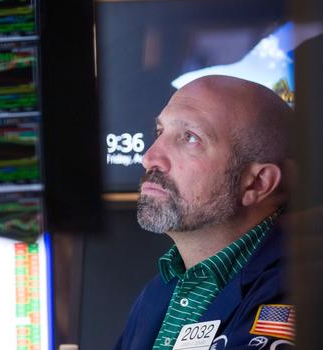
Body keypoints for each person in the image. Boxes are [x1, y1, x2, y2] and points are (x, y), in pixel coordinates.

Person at [113, 75, 295, 350]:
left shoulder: (303, 290)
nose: (150, 157)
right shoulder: (162, 289)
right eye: (160, 132)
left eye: (190, 138)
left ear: (257, 183)